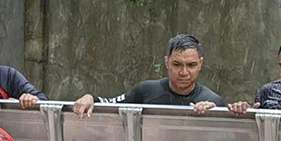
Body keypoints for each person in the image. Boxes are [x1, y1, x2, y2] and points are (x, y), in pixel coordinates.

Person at [71, 34, 224, 117]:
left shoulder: (213, 102)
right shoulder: (146, 90)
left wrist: (214, 115)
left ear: (200, 64)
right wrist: (90, 98)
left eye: (191, 65)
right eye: (177, 64)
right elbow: (109, 104)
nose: (183, 72)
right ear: (166, 62)